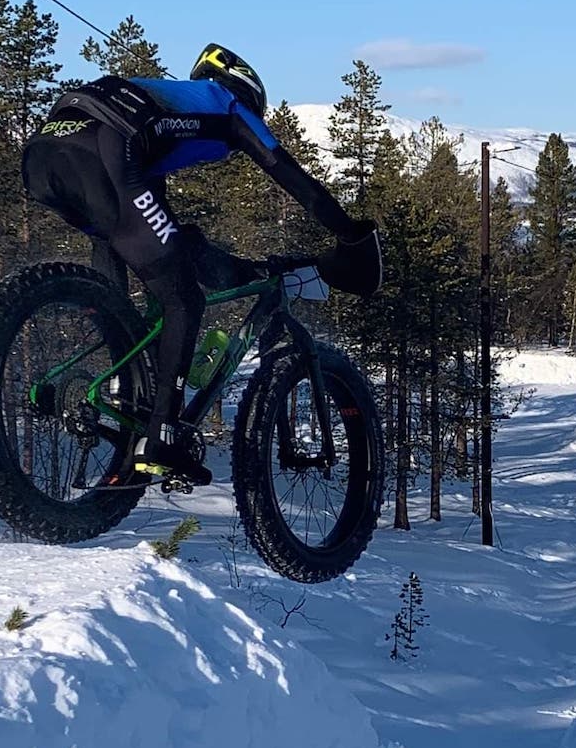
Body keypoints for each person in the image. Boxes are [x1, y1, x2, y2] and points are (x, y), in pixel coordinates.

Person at [21, 43, 382, 486]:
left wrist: (237, 268)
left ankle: (125, 396)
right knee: (183, 301)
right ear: (247, 92)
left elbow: (159, 233)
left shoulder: (156, 115)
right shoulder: (226, 103)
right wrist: (350, 235)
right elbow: (290, 175)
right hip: (107, 145)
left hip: (42, 157)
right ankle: (162, 435)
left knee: (131, 289)